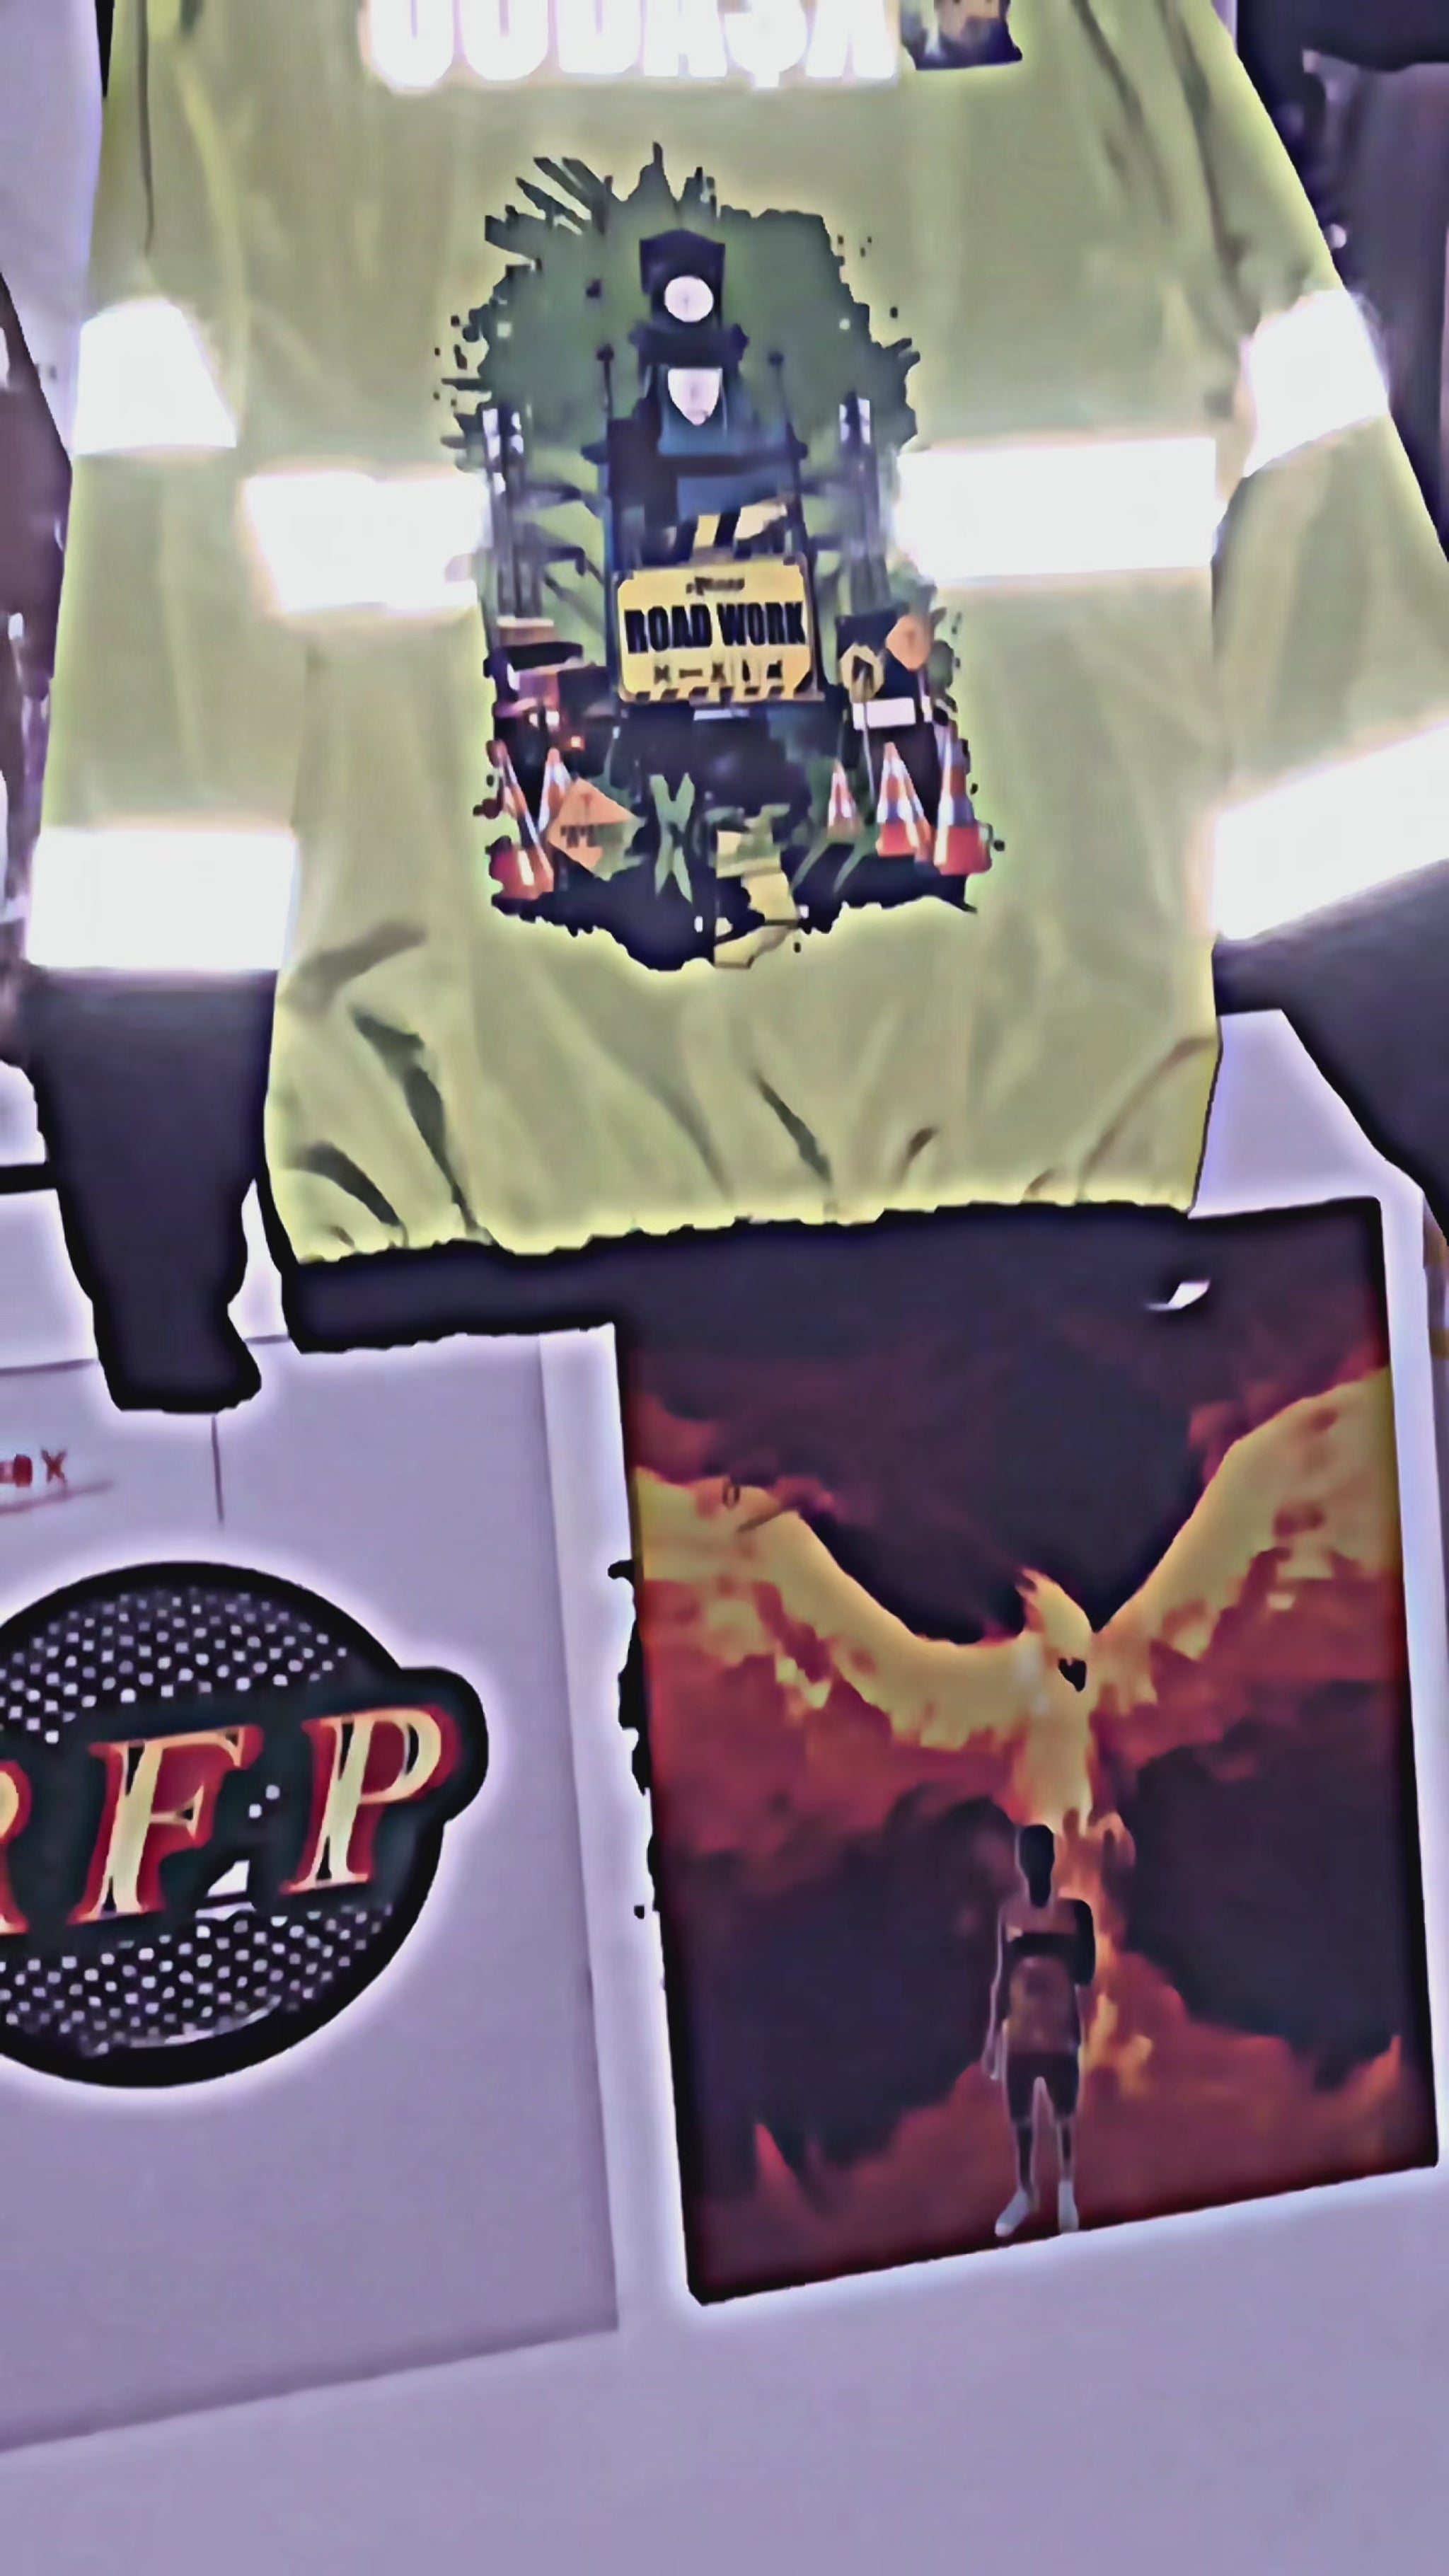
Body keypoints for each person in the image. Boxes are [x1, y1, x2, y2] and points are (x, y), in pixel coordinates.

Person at [985, 1823, 1095, 2239]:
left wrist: (1055, 1953)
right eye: (1026, 1857)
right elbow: (1002, 1976)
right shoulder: (1010, 1914)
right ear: (1020, 1862)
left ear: (1051, 1860)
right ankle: (1025, 2190)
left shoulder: (1075, 1913)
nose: (1032, 1865)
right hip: (1021, 2035)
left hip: (1060, 2031)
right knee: (1021, 2117)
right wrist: (993, 2036)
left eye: (1039, 1856)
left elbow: (1085, 1972)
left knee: (1063, 2115)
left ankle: (1066, 2188)